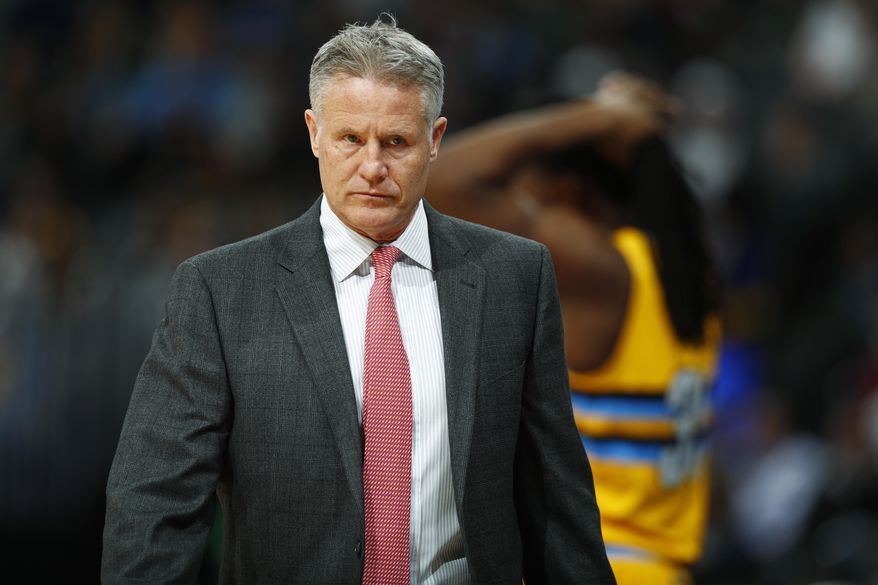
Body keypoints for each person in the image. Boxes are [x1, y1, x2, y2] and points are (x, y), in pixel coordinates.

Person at [101, 17, 615, 585]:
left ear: (435, 140)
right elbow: (155, 504)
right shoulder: (220, 291)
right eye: (350, 139)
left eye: (396, 142)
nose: (372, 167)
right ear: (314, 132)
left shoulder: (514, 276)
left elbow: (558, 503)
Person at [426, 76, 722, 585]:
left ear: (566, 191)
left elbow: (437, 180)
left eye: (523, 194)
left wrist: (600, 115)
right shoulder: (683, 273)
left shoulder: (600, 272)